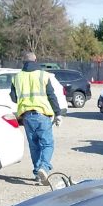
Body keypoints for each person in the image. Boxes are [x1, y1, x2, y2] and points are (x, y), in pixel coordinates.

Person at [9, 52, 63, 185]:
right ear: (36, 60)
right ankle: (44, 168)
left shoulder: (17, 77)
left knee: (34, 146)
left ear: (24, 61)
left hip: (27, 116)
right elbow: (51, 96)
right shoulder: (43, 75)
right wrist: (58, 114)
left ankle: (37, 174)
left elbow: (13, 97)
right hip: (42, 115)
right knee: (47, 144)